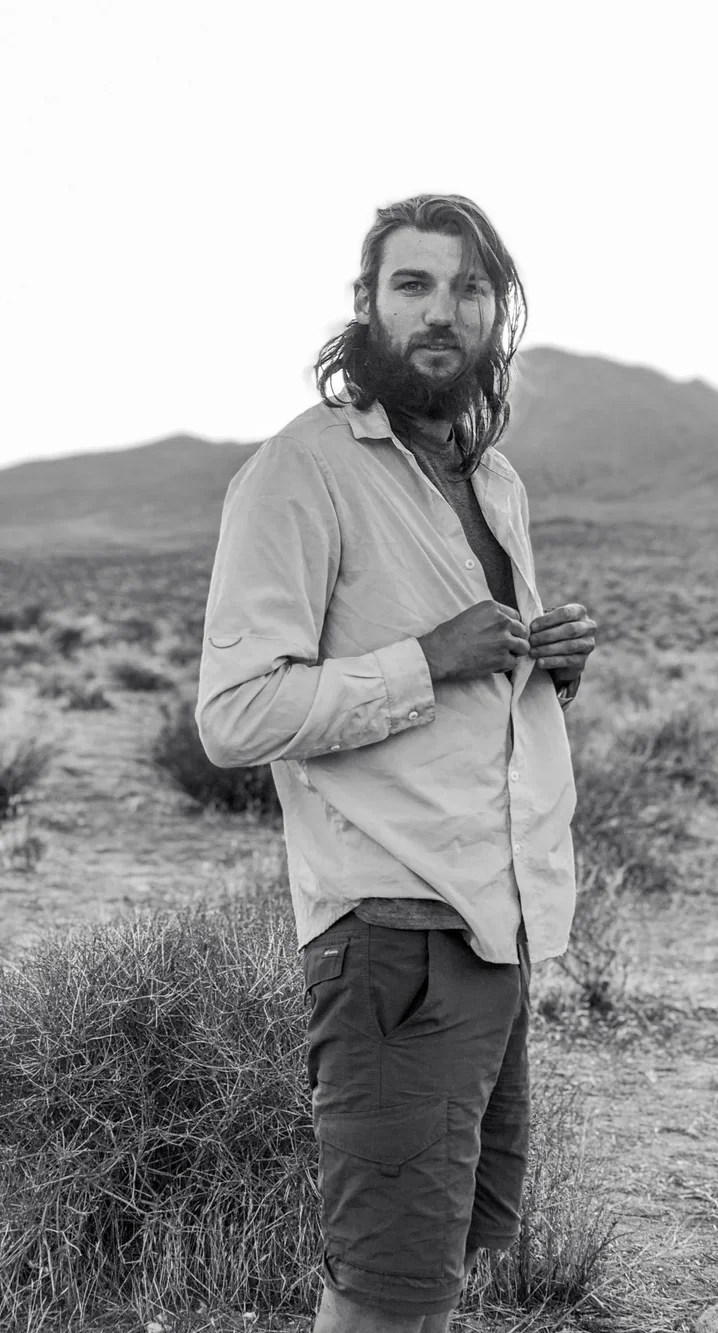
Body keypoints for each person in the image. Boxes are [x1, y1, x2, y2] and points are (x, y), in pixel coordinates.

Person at [195, 194, 597, 1333]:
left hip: (495, 923)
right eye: (412, 285)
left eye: (468, 289)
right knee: (381, 1297)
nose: (441, 312)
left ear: (496, 313)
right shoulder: (300, 471)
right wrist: (427, 658)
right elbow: (234, 713)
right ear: (366, 303)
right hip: (391, 935)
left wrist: (544, 672)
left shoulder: (494, 479)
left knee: (433, 1270)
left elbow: (477, 689)